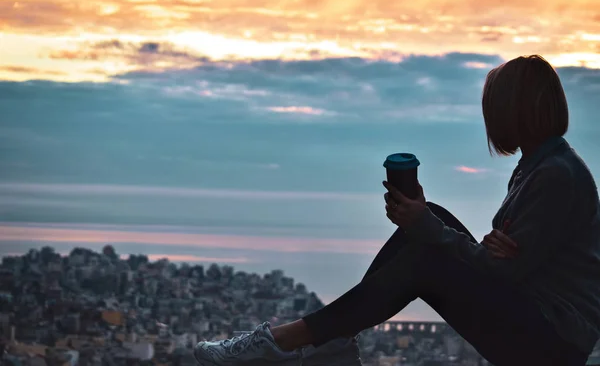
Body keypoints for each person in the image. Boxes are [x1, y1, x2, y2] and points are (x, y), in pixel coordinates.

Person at [193, 55, 600, 366]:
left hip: (552, 342)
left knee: (425, 246)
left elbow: (505, 271)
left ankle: (282, 341)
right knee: (428, 222)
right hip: (537, 319)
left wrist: (432, 228)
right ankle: (330, 344)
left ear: (514, 111)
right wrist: (427, 220)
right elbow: (503, 264)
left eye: (493, 108)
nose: (488, 119)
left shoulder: (555, 176)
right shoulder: (542, 165)